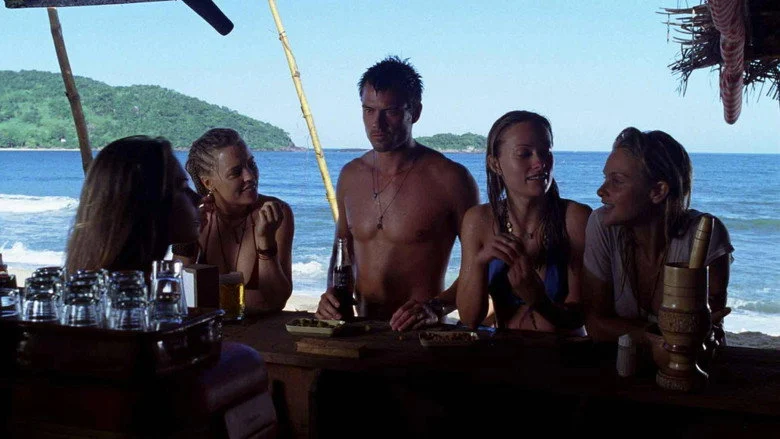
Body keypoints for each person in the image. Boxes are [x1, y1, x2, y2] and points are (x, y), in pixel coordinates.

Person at [314, 56, 479, 330]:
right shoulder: (350, 176)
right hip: (360, 329)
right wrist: (331, 297)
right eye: (368, 110)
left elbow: (481, 265)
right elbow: (342, 252)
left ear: (415, 112)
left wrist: (436, 307)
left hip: (422, 334)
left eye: (389, 111)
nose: (376, 123)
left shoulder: (451, 179)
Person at [583, 127, 733, 348]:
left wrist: (633, 333)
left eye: (617, 181)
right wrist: (657, 339)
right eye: (606, 178)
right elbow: (596, 325)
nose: (601, 190)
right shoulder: (602, 226)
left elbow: (710, 331)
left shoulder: (704, 235)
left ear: (658, 191)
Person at [456, 111, 591, 332]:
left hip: (563, 350)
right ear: (495, 164)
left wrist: (539, 300)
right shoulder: (478, 220)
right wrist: (480, 263)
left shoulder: (575, 218)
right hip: (503, 349)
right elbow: (470, 318)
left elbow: (581, 317)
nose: (540, 162)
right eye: (524, 154)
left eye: (545, 152)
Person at [176, 128, 294, 313]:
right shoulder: (197, 217)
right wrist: (187, 237)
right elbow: (177, 294)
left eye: (251, 164)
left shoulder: (274, 213)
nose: (250, 176)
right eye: (236, 172)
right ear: (208, 183)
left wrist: (265, 241)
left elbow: (275, 301)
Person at [66, 136, 199, 275]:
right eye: (182, 187)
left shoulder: (100, 281)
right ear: (148, 202)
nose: (197, 198)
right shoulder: (128, 286)